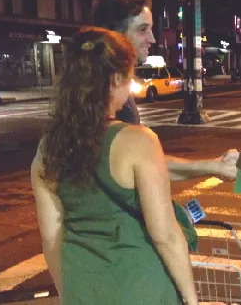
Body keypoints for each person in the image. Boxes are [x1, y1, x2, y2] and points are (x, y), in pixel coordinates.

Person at [31, 27, 198, 304]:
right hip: (142, 288)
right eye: (129, 77)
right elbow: (165, 235)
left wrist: (71, 294)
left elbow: (51, 237)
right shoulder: (138, 141)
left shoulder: (48, 149)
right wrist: (192, 301)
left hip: (82, 288)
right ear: (117, 78)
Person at [92, 0, 237, 182]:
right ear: (114, 35)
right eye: (143, 30)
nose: (151, 38)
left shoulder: (101, 87)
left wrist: (214, 166)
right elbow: (145, 167)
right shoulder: (107, 95)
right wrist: (214, 166)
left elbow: (144, 163)